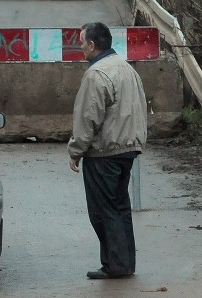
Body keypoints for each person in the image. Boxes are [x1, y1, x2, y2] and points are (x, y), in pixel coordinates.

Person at [68, 22, 147, 280]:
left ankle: (115, 265)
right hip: (128, 149)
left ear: (92, 45)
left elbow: (88, 117)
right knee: (120, 207)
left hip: (104, 151)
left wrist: (76, 150)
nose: (80, 48)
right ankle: (125, 263)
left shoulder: (96, 74)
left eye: (82, 43)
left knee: (103, 210)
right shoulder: (126, 69)